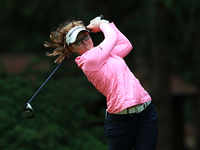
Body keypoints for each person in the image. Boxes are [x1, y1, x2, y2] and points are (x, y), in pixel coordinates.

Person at [44, 16, 158, 150]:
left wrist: (109, 25)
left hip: (146, 113)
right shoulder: (89, 61)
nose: (84, 42)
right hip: (121, 121)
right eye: (78, 42)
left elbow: (126, 45)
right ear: (72, 49)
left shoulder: (106, 54)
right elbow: (111, 39)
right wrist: (103, 24)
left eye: (85, 36)